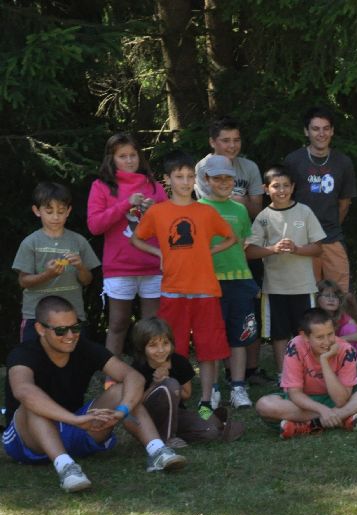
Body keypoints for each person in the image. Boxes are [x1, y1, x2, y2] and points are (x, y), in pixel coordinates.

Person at [4, 296, 186, 492]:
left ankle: (157, 450)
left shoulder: (83, 347)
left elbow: (133, 376)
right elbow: (23, 390)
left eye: (75, 327)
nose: (70, 335)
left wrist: (122, 410)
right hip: (29, 440)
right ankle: (66, 468)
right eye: (60, 330)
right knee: (31, 405)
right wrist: (74, 420)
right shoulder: (24, 353)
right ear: (40, 329)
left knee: (120, 390)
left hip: (77, 427)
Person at [130, 150, 235, 420]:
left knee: (208, 349)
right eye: (179, 177)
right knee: (171, 348)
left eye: (190, 176)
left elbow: (231, 238)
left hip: (205, 291)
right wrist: (159, 253)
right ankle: (175, 396)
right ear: (167, 179)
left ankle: (206, 400)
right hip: (173, 291)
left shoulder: (206, 211)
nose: (185, 182)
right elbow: (137, 238)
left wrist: (208, 252)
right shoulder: (157, 211)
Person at [195, 115, 270, 385]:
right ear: (213, 142)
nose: (232, 145)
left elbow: (257, 209)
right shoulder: (203, 167)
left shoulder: (249, 167)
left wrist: (241, 201)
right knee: (218, 318)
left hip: (244, 245)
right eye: (225, 140)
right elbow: (208, 205)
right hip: (215, 257)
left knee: (248, 311)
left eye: (236, 140)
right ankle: (226, 375)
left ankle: (250, 370)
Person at [86, 132, 167, 356]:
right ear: (111, 159)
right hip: (119, 267)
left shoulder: (154, 186)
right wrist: (124, 205)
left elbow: (171, 226)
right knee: (118, 323)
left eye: (133, 155)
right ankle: (113, 372)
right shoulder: (101, 186)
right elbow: (95, 226)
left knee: (152, 327)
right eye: (123, 156)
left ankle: (149, 371)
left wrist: (155, 211)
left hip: (153, 265)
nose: (129, 160)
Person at [254, 307, 357, 438]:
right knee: (264, 405)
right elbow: (295, 393)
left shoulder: (346, 349)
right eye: (320, 337)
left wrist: (324, 361)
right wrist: (322, 410)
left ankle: (310, 425)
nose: (327, 342)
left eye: (330, 334)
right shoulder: (295, 346)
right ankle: (342, 418)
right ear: (305, 336)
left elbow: (341, 400)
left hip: (339, 400)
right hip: (305, 403)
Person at [243, 165, 326, 373]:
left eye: (286, 185)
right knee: (279, 334)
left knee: (306, 332)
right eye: (276, 186)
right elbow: (249, 251)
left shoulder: (304, 211)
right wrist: (272, 249)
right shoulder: (263, 217)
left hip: (303, 286)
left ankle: (309, 373)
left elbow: (318, 248)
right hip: (274, 288)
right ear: (265, 189)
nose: (281, 190)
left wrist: (297, 249)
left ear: (293, 187)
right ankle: (285, 375)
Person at [198, 155, 258, 409]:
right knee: (211, 337)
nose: (223, 182)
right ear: (206, 179)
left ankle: (238, 387)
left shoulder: (240, 209)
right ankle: (211, 389)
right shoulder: (198, 209)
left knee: (239, 336)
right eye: (217, 178)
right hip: (209, 282)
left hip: (240, 280)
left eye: (228, 178)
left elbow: (243, 243)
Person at [129, 317, 244, 446]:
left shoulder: (179, 362)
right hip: (148, 416)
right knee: (170, 384)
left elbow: (186, 395)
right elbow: (135, 403)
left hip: (176, 414)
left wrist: (169, 382)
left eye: (165, 343)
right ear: (142, 347)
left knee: (210, 432)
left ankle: (214, 424)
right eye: (153, 345)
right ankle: (166, 439)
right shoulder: (137, 368)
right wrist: (156, 385)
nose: (161, 350)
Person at [13, 182, 100, 343]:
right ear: (37, 211)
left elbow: (87, 280)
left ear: (68, 211)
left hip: (73, 316)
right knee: (32, 355)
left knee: (75, 356)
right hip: (36, 316)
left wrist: (80, 267)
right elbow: (23, 281)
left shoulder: (79, 241)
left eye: (60, 211)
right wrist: (48, 274)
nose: (55, 217)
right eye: (49, 211)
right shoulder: (30, 242)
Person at [282, 106, 356, 292]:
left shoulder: (343, 162)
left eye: (326, 128)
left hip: (332, 238)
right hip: (302, 241)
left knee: (340, 296)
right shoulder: (293, 160)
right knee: (307, 295)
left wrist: (325, 229)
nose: (321, 134)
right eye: (315, 129)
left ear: (332, 131)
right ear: (306, 131)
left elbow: (344, 204)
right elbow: (285, 200)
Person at [316, 279, 357, 381]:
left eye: (335, 296)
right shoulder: (314, 318)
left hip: (341, 351)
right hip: (324, 355)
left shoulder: (342, 317)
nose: (331, 299)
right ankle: (347, 374)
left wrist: (340, 339)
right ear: (318, 298)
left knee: (350, 329)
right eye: (327, 295)